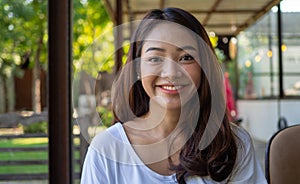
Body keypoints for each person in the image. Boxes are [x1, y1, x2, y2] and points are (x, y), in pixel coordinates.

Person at [81, 7, 267, 184]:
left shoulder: (233, 144)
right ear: (137, 68)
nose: (171, 72)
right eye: (155, 58)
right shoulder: (106, 150)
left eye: (186, 57)